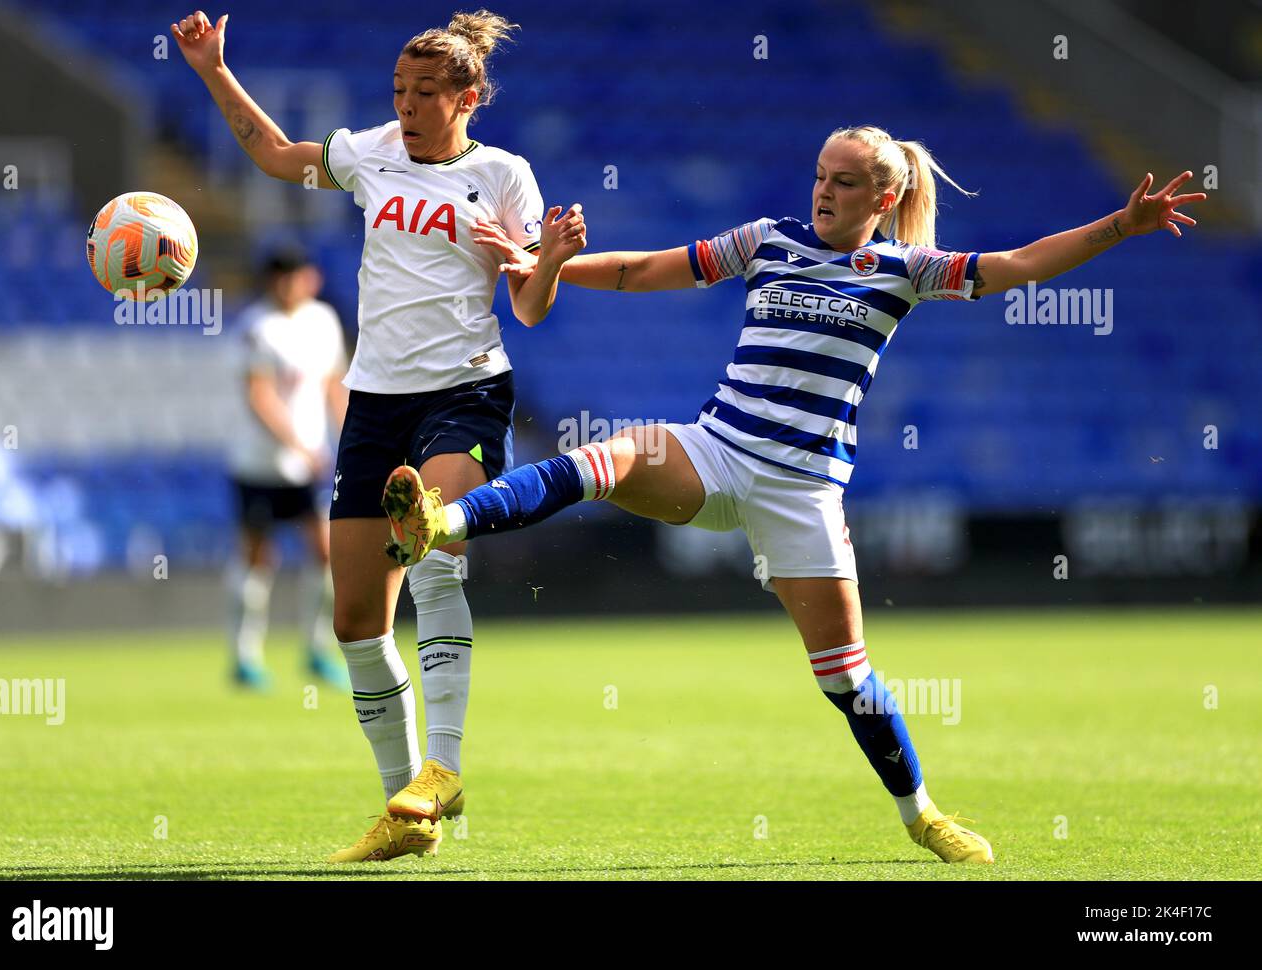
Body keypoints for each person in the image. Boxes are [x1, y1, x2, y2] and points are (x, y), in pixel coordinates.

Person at [381, 125, 1206, 863]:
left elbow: (1018, 266)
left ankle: (921, 815)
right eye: (820, 173)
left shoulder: (904, 271)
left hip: (804, 490)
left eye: (844, 181)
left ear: (884, 198)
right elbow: (642, 270)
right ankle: (441, 519)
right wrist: (545, 261)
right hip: (718, 450)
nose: (823, 190)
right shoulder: (766, 240)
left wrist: (1120, 226)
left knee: (845, 678)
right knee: (613, 452)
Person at [171, 8, 586, 862]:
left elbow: (533, 308)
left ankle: (447, 766)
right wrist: (213, 69)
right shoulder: (370, 154)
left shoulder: (506, 175)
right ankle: (406, 813)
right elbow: (277, 155)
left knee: (433, 546)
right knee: (357, 621)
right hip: (374, 402)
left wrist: (538, 257)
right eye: (399, 89)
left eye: (426, 92)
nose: (406, 104)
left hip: (466, 390)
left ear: (468, 96)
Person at [225, 244, 349, 693]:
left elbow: (334, 385)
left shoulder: (323, 322)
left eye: (294, 275)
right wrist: (300, 444)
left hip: (310, 464)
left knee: (327, 552)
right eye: (279, 276)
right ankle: (245, 655)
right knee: (259, 558)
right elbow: (259, 398)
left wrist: (349, 438)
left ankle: (318, 649)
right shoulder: (258, 328)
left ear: (310, 278)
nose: (287, 284)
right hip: (259, 463)